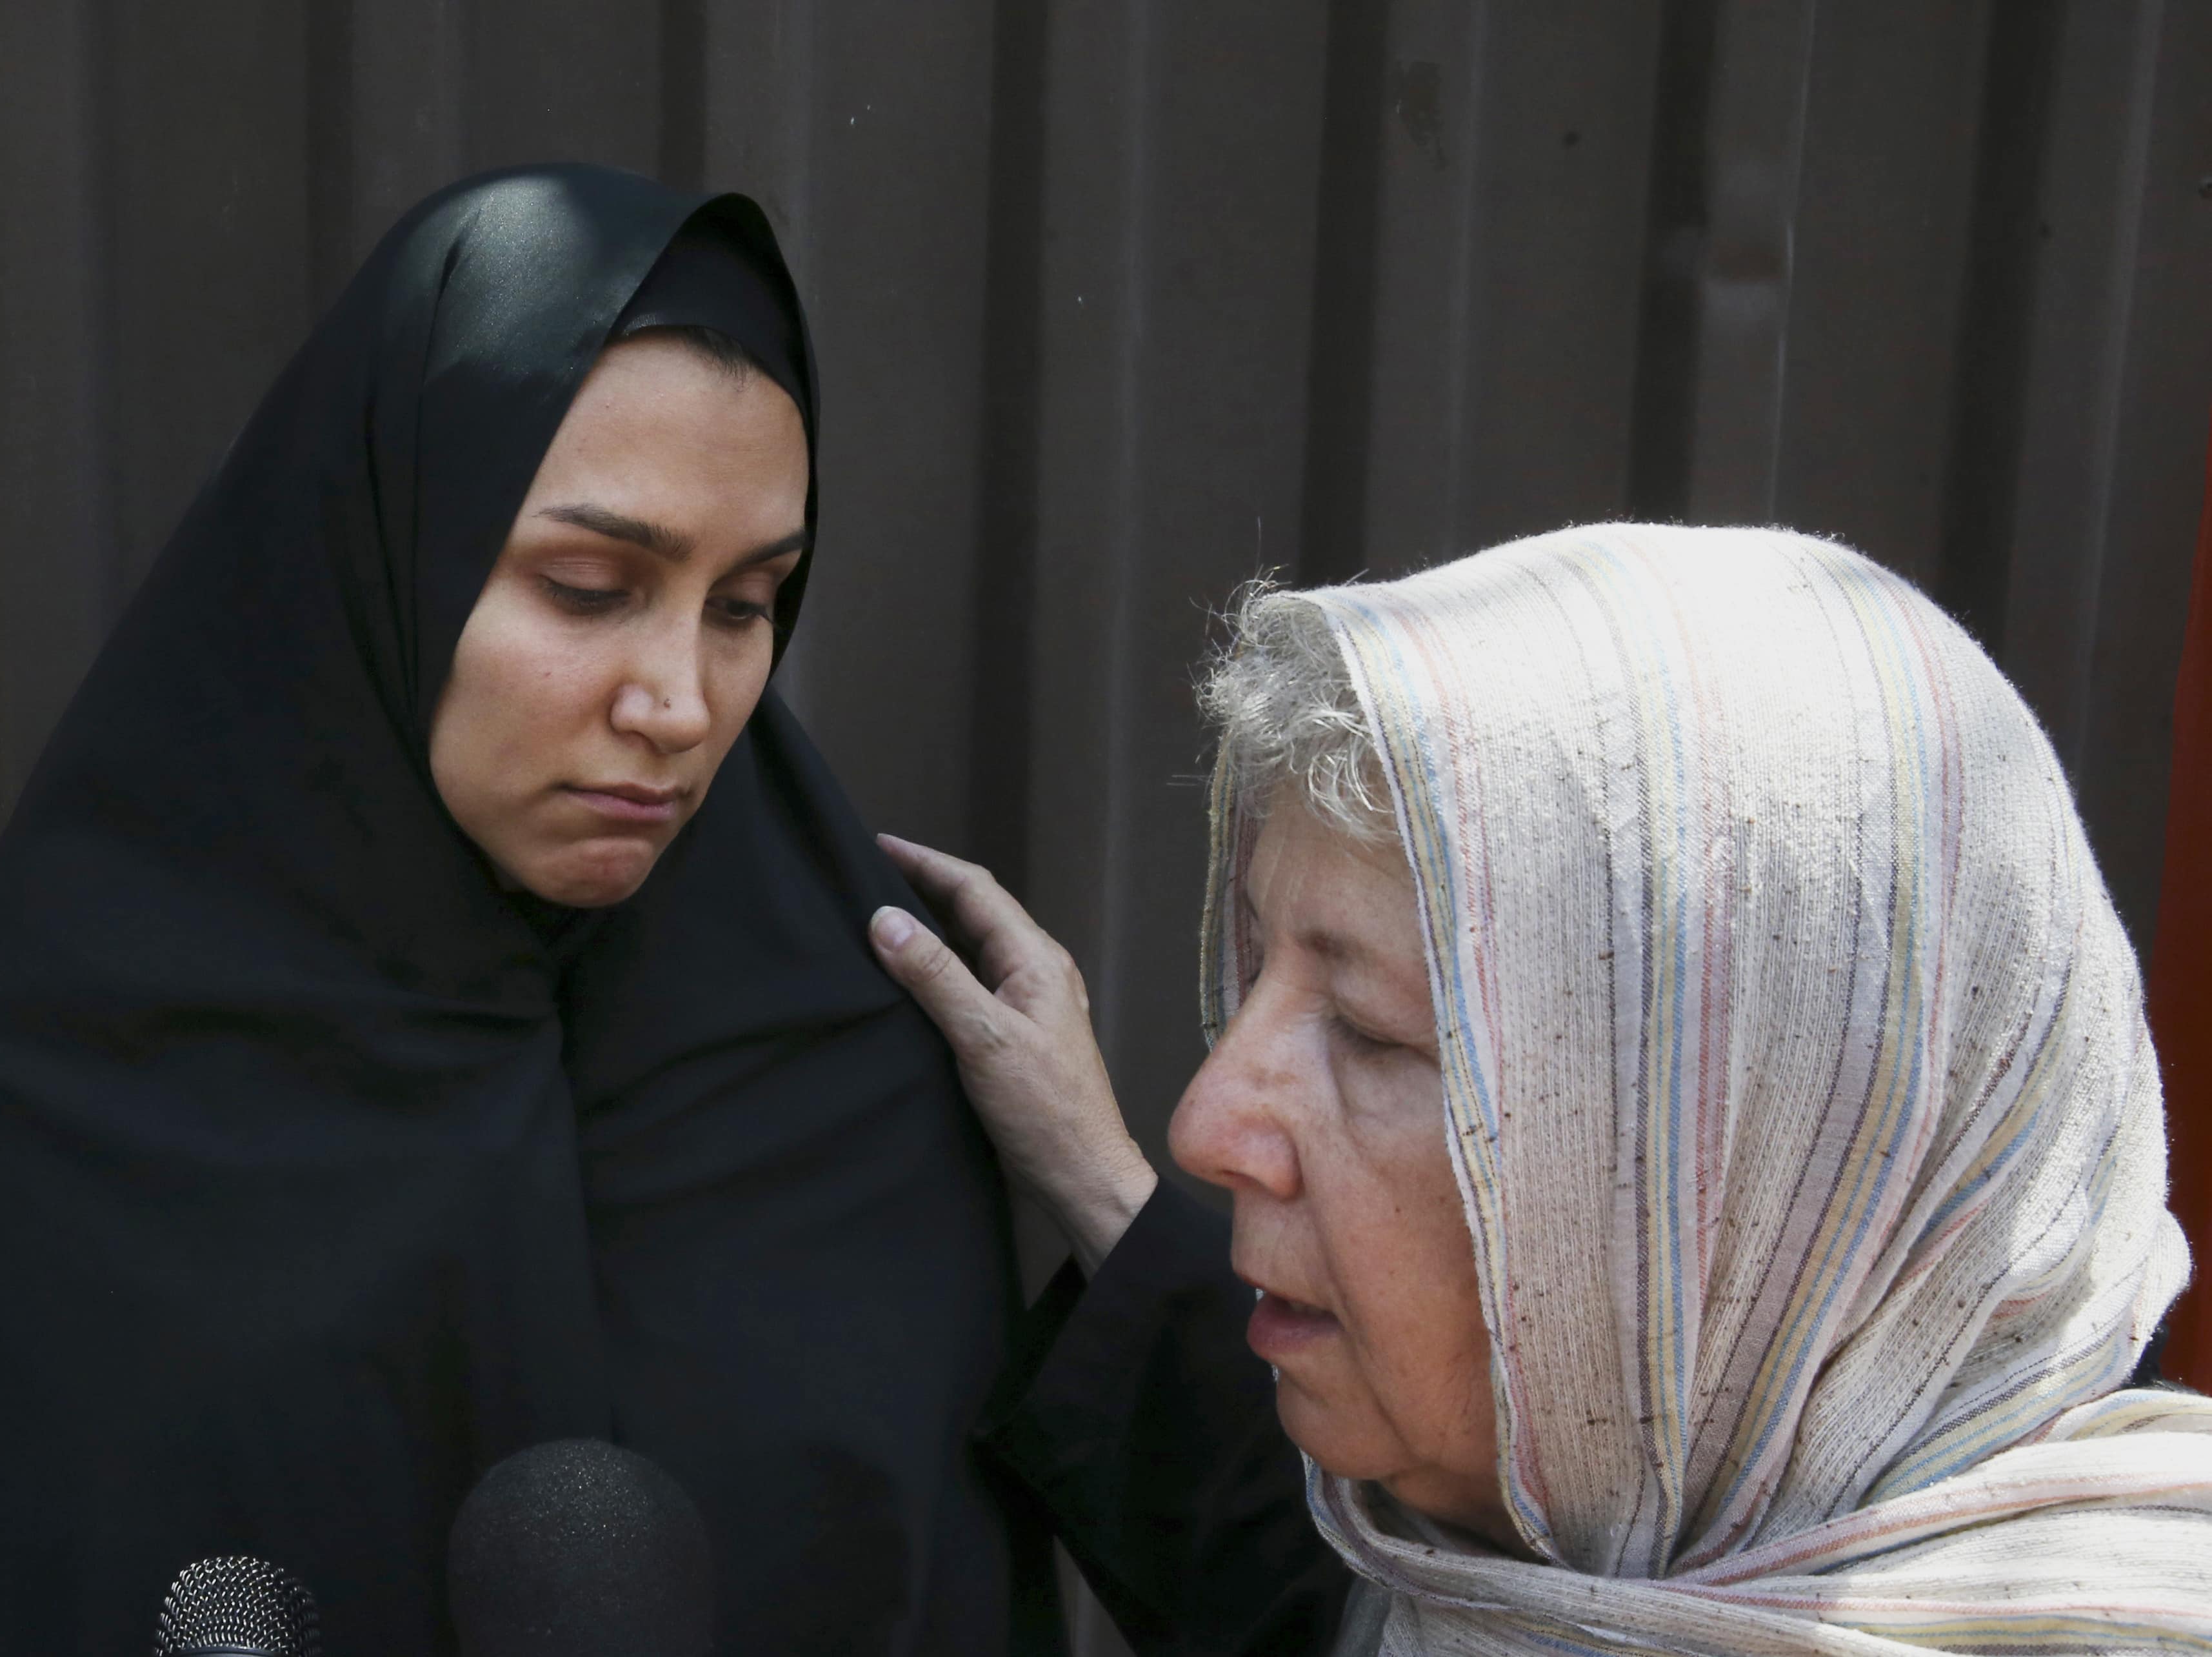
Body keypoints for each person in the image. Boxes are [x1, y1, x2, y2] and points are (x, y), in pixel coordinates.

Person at [0, 166, 1063, 1656]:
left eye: (745, 605)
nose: (678, 703)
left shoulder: (840, 1056)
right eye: (592, 585)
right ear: (383, 552)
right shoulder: (89, 1073)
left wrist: (1110, 1198)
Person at [877, 523, 2212, 1654]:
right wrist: (1087, 1170)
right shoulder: (1494, 1581)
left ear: (1748, 1188)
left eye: (1371, 1028)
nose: (1207, 1122)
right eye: (1261, 971)